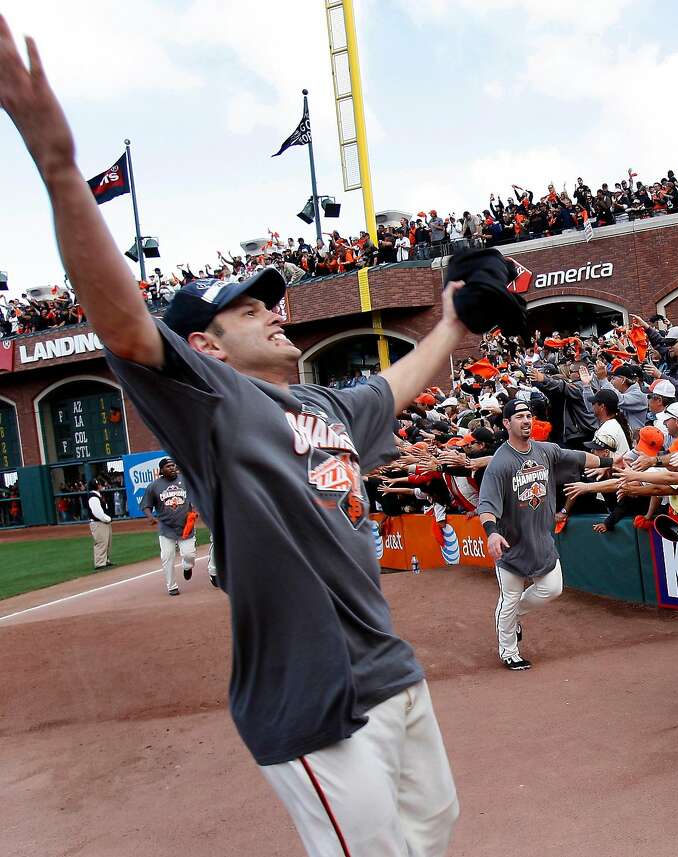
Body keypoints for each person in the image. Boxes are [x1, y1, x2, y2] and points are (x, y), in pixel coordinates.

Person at [0, 26, 469, 852]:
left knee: (434, 828)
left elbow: (398, 383)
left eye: (269, 303)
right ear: (207, 346)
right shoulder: (211, 402)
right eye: (249, 310)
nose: (273, 313)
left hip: (392, 670)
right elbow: (120, 319)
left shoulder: (328, 403)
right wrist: (61, 171)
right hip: (318, 701)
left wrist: (453, 324)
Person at [477, 400, 608, 670]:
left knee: (552, 588)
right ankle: (509, 651)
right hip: (511, 544)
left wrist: (610, 461)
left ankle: (512, 618)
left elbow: (579, 457)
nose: (526, 421)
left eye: (529, 416)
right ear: (506, 423)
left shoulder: (545, 451)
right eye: (519, 417)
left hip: (541, 540)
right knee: (510, 598)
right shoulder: (500, 463)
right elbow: (487, 505)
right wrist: (491, 533)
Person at [140, 457, 197, 596]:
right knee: (167, 557)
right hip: (166, 528)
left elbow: (195, 497)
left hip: (186, 527)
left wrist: (195, 509)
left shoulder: (185, 481)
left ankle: (187, 567)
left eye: (173, 465)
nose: (172, 468)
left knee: (189, 555)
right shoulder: (154, 486)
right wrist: (150, 517)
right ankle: (172, 587)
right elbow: (146, 505)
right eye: (168, 466)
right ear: (161, 470)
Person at [85, 477, 113, 569]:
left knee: (107, 542)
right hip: (98, 523)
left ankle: (106, 560)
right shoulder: (93, 497)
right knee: (101, 542)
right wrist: (106, 518)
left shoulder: (98, 495)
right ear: (97, 486)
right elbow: (97, 512)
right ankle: (100, 563)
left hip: (103, 522)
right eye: (99, 484)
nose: (101, 485)